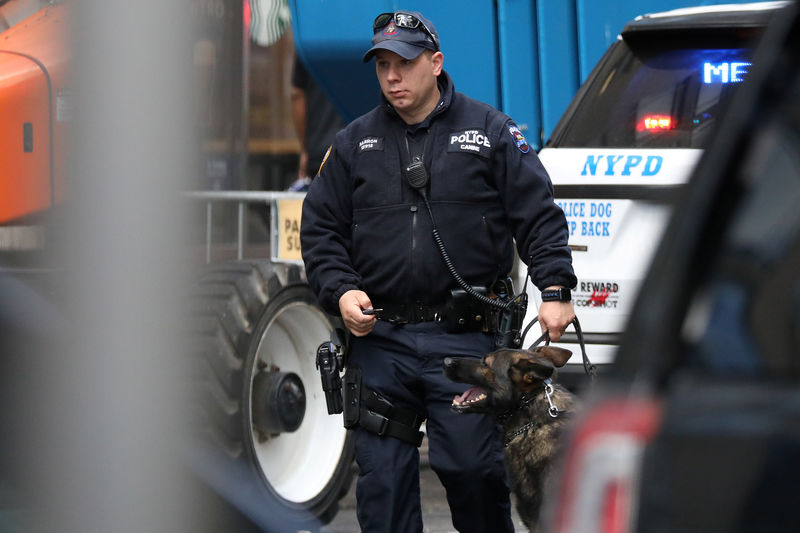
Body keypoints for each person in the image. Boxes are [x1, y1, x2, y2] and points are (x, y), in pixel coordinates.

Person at [300, 10, 576, 533]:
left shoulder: (490, 132)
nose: (392, 77)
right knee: (382, 487)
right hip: (381, 338)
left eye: (403, 63)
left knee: (473, 473)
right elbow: (320, 231)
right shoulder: (354, 144)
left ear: (436, 62)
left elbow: (538, 214)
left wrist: (555, 287)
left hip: (467, 342)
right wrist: (339, 292)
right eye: (382, 65)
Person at [288, 54, 345, 191]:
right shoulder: (363, 37)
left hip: (320, 149)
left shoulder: (308, 40)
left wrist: (305, 149)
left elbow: (297, 95)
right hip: (364, 148)